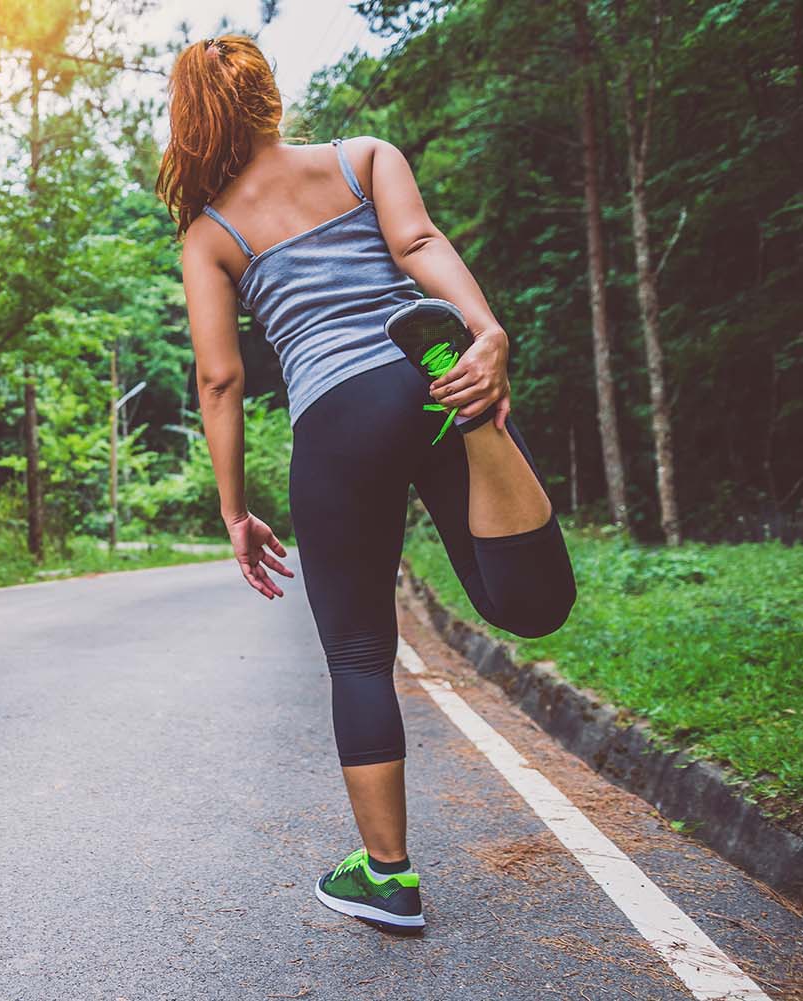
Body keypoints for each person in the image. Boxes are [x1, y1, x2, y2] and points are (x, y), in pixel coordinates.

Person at [157, 34, 577, 931]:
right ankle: (473, 407)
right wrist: (487, 332)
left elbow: (220, 378)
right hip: (422, 372)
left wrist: (234, 508)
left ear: (188, 121)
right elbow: (418, 238)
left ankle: (387, 875)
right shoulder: (365, 157)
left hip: (335, 421)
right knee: (527, 606)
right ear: (271, 97)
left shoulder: (210, 231)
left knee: (357, 651)